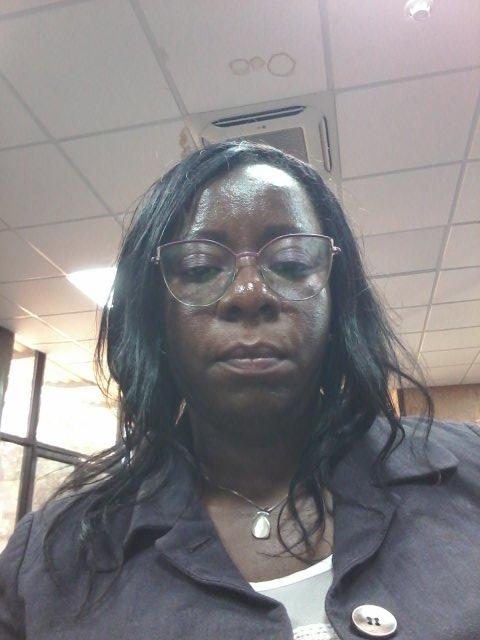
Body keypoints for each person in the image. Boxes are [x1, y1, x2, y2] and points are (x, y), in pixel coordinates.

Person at [0, 141, 479, 640]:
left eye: (291, 262)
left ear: (338, 300)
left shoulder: (470, 471)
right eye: (200, 268)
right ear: (156, 318)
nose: (250, 294)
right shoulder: (46, 565)